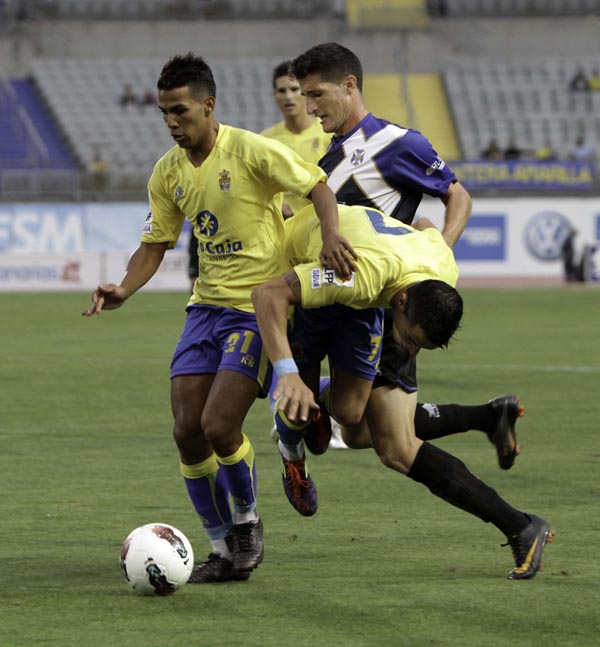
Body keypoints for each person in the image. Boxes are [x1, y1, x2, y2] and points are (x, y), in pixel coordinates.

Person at [82, 53, 356, 584]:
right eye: (164, 113)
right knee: (187, 431)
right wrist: (123, 288)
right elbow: (155, 243)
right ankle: (219, 547)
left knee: (218, 424)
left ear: (208, 105)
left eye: (180, 111)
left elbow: (318, 186)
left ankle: (248, 524)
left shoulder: (250, 150)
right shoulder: (167, 172)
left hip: (255, 310)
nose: (171, 122)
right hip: (204, 309)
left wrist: (329, 236)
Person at [252, 203, 554, 580]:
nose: (411, 354)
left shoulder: (443, 268)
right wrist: (287, 372)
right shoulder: (356, 276)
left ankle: (520, 525)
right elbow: (269, 296)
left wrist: (399, 245)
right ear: (402, 305)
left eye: (419, 348)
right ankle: (486, 423)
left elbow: (425, 225)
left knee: (375, 435)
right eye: (411, 341)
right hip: (326, 279)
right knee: (361, 429)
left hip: (379, 291)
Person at [286, 43, 521, 473]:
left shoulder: (396, 143)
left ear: (350, 85)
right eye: (305, 95)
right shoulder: (330, 157)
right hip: (355, 302)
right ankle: (487, 416)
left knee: (386, 439)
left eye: (315, 94)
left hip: (390, 308)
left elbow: (458, 195)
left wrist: (438, 253)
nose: (309, 106)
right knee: (358, 428)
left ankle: (513, 517)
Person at [261, 61, 332, 219]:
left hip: (318, 226)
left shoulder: (328, 136)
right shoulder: (265, 140)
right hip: (282, 230)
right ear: (275, 96)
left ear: (305, 92)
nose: (288, 96)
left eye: (294, 89)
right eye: (282, 90)